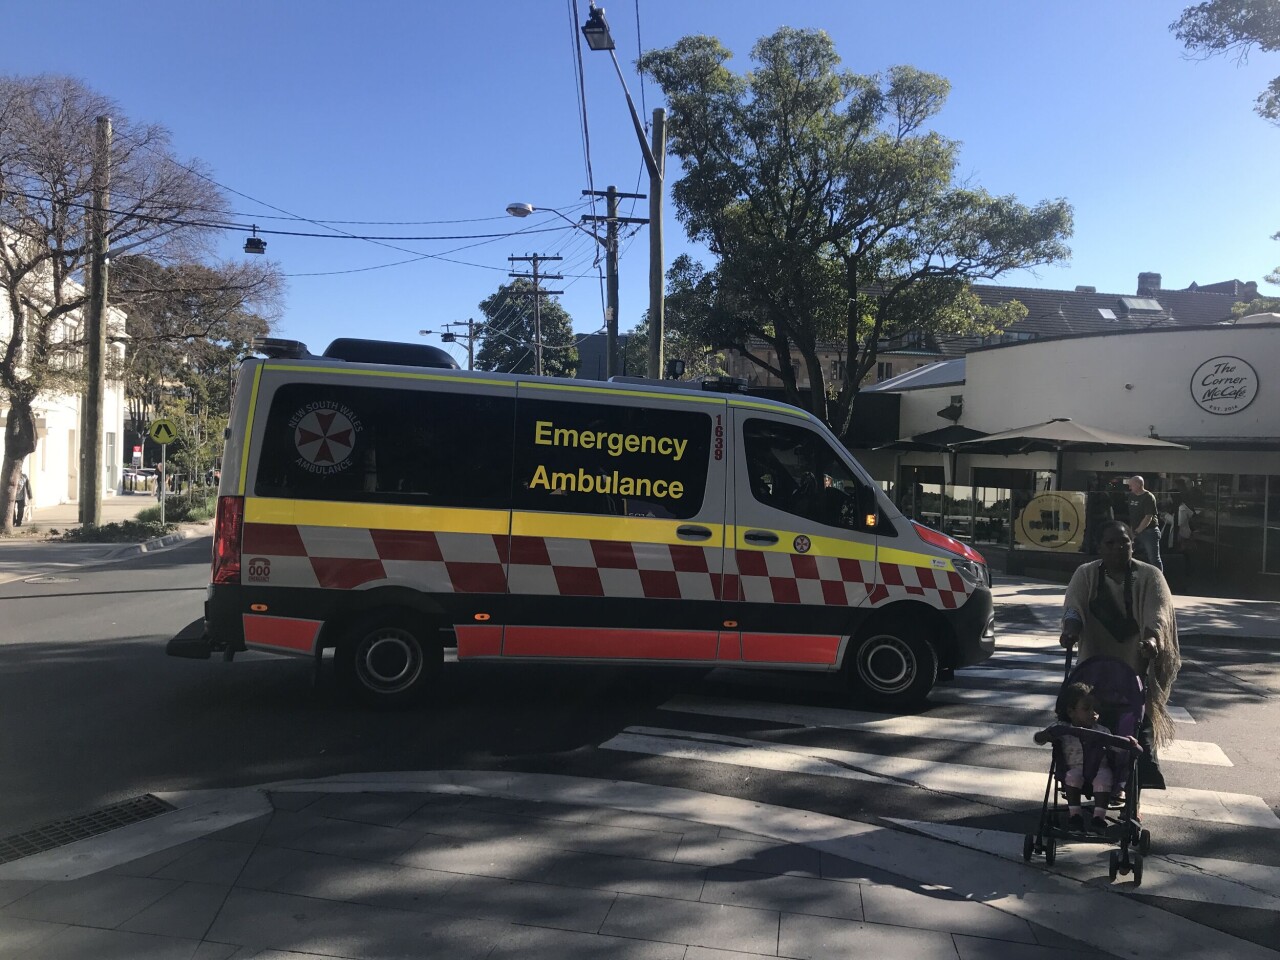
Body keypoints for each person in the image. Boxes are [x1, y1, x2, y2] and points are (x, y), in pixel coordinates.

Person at [1060, 519, 1181, 789]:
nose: (1117, 548)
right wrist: (1070, 630)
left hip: (1134, 671)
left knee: (1135, 739)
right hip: (1093, 671)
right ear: (1099, 547)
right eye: (1110, 543)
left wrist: (1152, 639)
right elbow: (1073, 608)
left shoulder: (1149, 576)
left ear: (1133, 545)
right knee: (1083, 735)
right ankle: (1084, 788)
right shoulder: (1086, 574)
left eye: (1124, 542)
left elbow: (1158, 614)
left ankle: (1133, 796)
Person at [1034, 682, 1133, 834]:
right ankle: (1075, 815)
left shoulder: (1102, 730)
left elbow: (1116, 747)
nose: (1093, 713)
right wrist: (1045, 736)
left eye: (1095, 709)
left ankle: (1099, 818)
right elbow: (1039, 739)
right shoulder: (1062, 728)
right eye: (1086, 709)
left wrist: (1127, 742)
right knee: (1072, 776)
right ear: (1071, 711)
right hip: (1074, 768)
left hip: (1098, 768)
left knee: (1104, 777)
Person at [1125, 475, 1162, 571]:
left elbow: (1148, 517)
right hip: (1135, 530)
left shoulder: (1148, 497)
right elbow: (1133, 515)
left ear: (1138, 485)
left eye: (1131, 485)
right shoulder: (1131, 496)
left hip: (1149, 531)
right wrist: (1131, 530)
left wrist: (1136, 532)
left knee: (1154, 558)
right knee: (1130, 555)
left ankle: (1158, 580)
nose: (1129, 488)